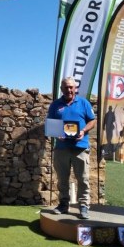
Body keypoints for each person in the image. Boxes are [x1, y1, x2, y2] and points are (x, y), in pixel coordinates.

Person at [47, 77, 96, 220]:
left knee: (83, 179)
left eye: (71, 87)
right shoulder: (55, 105)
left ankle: (83, 206)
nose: (68, 90)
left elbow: (92, 121)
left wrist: (83, 131)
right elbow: (50, 124)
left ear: (75, 88)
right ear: (61, 89)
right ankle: (63, 205)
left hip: (80, 147)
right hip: (61, 148)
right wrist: (57, 134)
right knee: (62, 179)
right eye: (65, 87)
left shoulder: (84, 103)